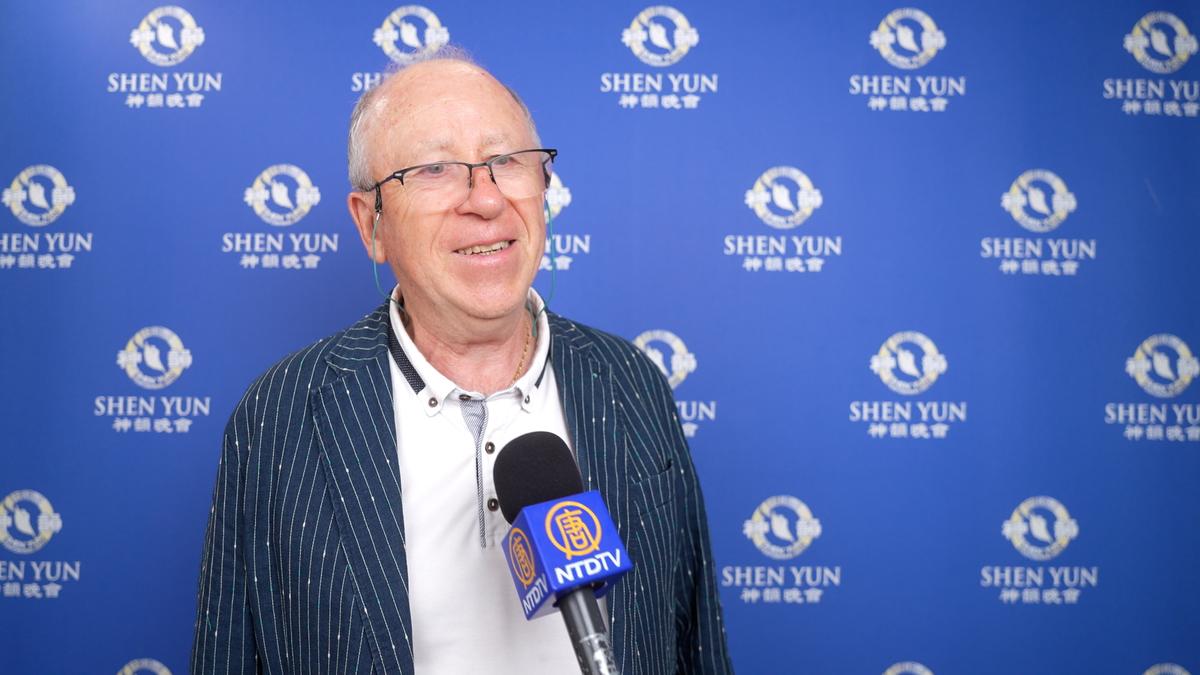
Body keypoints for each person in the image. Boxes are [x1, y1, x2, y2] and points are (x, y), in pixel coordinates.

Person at [191, 51, 732, 675]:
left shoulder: (629, 383)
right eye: (434, 169)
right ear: (372, 224)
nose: (485, 199)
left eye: (506, 161)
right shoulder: (282, 417)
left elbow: (696, 646)